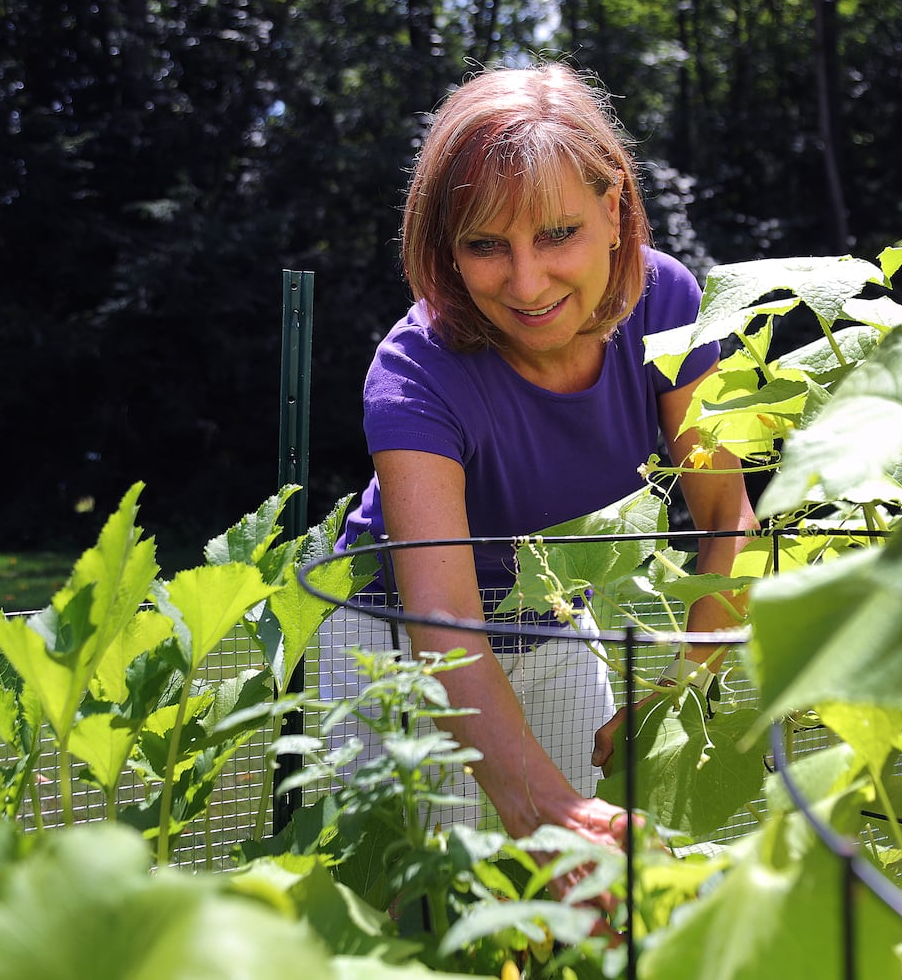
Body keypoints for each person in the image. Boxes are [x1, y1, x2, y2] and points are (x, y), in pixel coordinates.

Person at [321, 62, 757, 859]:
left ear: (617, 208)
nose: (527, 284)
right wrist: (541, 806)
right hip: (393, 648)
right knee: (419, 913)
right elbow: (441, 621)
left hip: (554, 626)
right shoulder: (416, 372)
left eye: (558, 233)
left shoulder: (669, 306)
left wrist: (682, 688)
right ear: (447, 251)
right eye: (486, 245)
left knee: (576, 894)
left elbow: (728, 511)